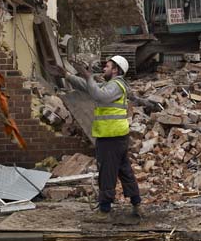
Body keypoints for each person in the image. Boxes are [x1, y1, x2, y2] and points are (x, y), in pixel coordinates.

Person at [56, 56, 141, 221]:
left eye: (107, 67)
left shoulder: (116, 86)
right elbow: (89, 88)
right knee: (124, 171)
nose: (104, 69)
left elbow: (99, 96)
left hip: (111, 137)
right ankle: (137, 203)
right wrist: (67, 75)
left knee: (107, 172)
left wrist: (88, 76)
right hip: (116, 136)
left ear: (115, 70)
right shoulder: (111, 85)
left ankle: (104, 210)